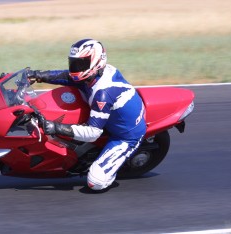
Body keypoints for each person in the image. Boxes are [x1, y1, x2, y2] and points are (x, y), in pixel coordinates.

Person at [28, 38, 146, 191]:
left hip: (125, 135)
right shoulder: (96, 73)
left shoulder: (103, 93)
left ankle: (108, 171)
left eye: (81, 64)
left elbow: (92, 133)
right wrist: (37, 75)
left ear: (96, 62)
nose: (75, 68)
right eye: (74, 63)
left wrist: (55, 127)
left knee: (95, 182)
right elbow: (68, 77)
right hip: (109, 112)